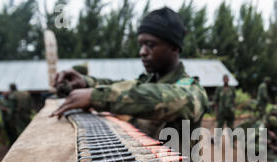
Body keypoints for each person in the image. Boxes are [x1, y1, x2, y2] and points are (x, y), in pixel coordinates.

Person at [51, 7, 209, 151]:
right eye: (141, 45)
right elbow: (121, 86)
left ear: (175, 47)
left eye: (150, 45)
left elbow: (162, 98)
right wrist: (85, 83)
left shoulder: (191, 89)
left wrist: (97, 96)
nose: (142, 52)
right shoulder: (146, 82)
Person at [213, 74, 236, 143]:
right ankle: (217, 141)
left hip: (230, 112)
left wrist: (234, 110)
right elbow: (216, 101)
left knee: (231, 127)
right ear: (223, 80)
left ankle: (232, 142)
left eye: (227, 78)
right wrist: (216, 112)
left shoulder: (232, 88)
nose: (226, 80)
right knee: (219, 127)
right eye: (224, 78)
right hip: (221, 112)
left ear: (228, 80)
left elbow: (234, 100)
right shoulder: (219, 89)